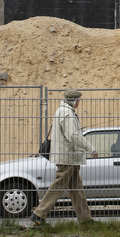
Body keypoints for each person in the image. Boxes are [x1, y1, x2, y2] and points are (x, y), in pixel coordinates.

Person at [30, 90, 97, 225]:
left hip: (70, 157)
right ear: (73, 100)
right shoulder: (67, 114)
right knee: (58, 186)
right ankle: (39, 213)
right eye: (78, 100)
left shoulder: (64, 111)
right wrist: (90, 149)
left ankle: (85, 219)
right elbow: (73, 136)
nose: (79, 102)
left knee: (76, 190)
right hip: (67, 157)